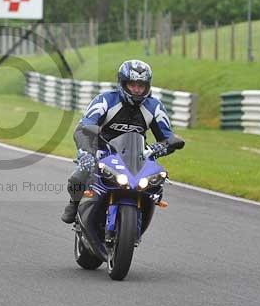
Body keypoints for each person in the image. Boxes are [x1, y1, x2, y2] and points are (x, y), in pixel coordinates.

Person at [60, 59, 184, 224]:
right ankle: (74, 204)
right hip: (101, 149)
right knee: (81, 173)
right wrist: (86, 152)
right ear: (122, 83)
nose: (137, 90)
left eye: (141, 86)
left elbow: (168, 137)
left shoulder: (155, 107)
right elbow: (84, 127)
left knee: (156, 180)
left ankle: (143, 211)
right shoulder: (105, 100)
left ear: (148, 86)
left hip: (136, 155)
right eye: (132, 85)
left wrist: (161, 147)